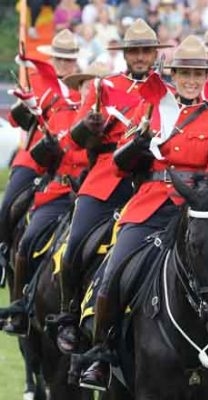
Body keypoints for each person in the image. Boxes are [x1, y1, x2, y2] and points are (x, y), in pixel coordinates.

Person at [78, 34, 208, 391]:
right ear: (173, 74)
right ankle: (102, 353)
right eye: (185, 74)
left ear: (206, 78)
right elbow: (119, 165)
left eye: (198, 75)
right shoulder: (149, 108)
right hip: (150, 203)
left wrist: (201, 192)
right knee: (115, 268)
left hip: (197, 207)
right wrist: (137, 143)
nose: (192, 81)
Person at [55, 19, 173, 354]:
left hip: (151, 182)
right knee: (75, 242)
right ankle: (69, 314)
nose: (139, 56)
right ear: (125, 54)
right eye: (133, 50)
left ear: (154, 53)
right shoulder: (102, 87)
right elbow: (77, 140)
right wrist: (88, 126)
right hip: (107, 177)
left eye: (145, 50)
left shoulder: (169, 93)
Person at [1, 30, 89, 335]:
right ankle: (16, 300)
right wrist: (25, 104)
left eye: (69, 59)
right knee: (12, 210)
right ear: (53, 59)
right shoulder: (38, 83)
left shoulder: (85, 97)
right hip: (44, 169)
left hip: (83, 185)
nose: (64, 65)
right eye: (60, 59)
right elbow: (17, 121)